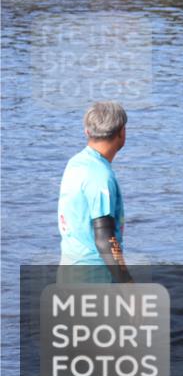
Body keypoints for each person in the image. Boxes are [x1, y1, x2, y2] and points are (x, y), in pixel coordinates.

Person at [57, 101, 131, 284]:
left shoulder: (76, 163)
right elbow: (105, 239)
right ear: (122, 132)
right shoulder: (100, 177)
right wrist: (127, 282)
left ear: (87, 132)